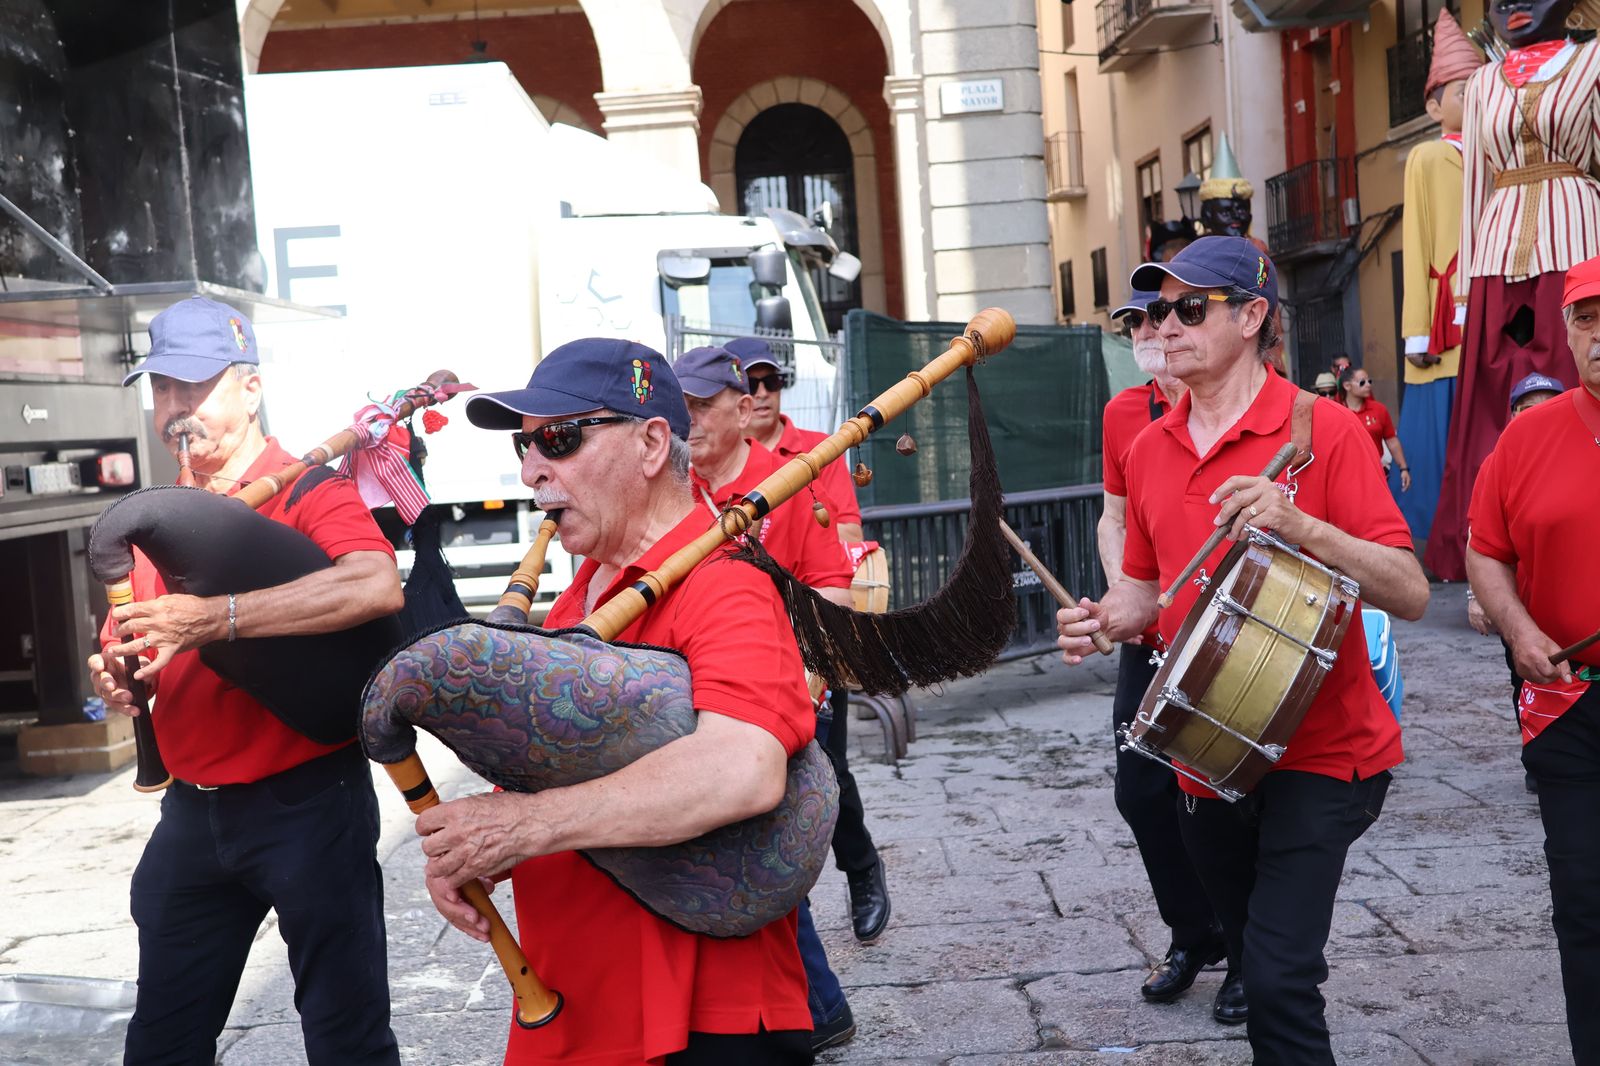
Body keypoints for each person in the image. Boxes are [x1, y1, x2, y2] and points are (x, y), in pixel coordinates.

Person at [1057, 236, 1429, 1064]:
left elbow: (1408, 588)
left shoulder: (1321, 428)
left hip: (1323, 755)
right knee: (1261, 966)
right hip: (1204, 758)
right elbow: (1151, 592)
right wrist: (1105, 617)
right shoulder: (1149, 447)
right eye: (1157, 312)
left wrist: (1298, 525)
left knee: (1279, 977)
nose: (1167, 327)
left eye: (1191, 308)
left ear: (1253, 315)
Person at [428, 337, 819, 1064]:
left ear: (649, 443)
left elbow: (744, 767)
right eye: (526, 445)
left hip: (698, 1021)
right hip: (578, 1009)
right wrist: (481, 850)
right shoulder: (579, 595)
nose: (531, 468)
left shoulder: (724, 582)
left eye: (560, 439)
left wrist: (522, 825)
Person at [84, 296, 404, 1066]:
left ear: (250, 388)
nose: (174, 408)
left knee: (346, 1039)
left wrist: (214, 618)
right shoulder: (153, 516)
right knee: (161, 1044)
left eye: (193, 387)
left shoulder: (305, 492)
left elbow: (374, 586)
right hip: (192, 815)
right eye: (161, 388)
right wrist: (126, 679)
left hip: (306, 804)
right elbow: (133, 651)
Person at [676, 343, 859, 1052]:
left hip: (772, 705)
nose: (687, 418)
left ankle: (810, 1010)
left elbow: (833, 593)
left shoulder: (792, 480)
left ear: (739, 407)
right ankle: (815, 1009)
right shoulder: (670, 486)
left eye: (700, 404)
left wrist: (800, 690)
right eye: (679, 404)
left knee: (759, 856)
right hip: (690, 706)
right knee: (741, 861)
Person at [1466, 254, 1600, 1065]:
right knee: (1582, 900)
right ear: (1567, 330)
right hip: (1567, 704)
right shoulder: (1527, 436)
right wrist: (1518, 630)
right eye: (1587, 320)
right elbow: (1487, 551)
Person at [725, 334, 893, 951]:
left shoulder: (818, 454)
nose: (762, 393)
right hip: (739, 641)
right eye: (750, 383)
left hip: (810, 634)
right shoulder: (709, 459)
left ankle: (861, 868)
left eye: (771, 382)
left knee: (826, 767)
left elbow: (846, 533)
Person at [1427, 0, 1595, 580]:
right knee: (1490, 399)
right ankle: (1485, 548)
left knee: (1578, 380)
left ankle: (1579, 537)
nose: (1516, 5)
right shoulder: (1479, 85)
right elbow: (1476, 182)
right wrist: (1465, 293)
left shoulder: (1594, 61)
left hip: (1577, 240)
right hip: (1498, 249)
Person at [1098, 289, 1227, 1006]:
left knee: (1227, 794)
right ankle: (1192, 930)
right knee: (1142, 792)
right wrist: (1126, 593)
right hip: (1150, 637)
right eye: (1139, 319)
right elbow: (1111, 517)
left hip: (1224, 638)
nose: (1153, 329)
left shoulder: (1238, 403)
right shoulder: (1125, 414)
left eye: (1167, 313)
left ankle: (1244, 949)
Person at [1397, 10, 1484, 542]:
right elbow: (1416, 245)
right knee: (1432, 440)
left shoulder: (1497, 156)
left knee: (1477, 437)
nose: (1471, 98)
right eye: (1460, 89)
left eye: (1478, 87)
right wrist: (1417, 332)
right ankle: (1423, 541)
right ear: (1433, 105)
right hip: (1441, 315)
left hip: (1486, 309)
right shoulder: (1426, 157)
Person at [1467, 371, 1565, 796]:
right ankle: (1537, 750)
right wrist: (1477, 598)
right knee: (1525, 680)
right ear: (1512, 416)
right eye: (1529, 407)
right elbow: (1480, 539)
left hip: (1571, 607)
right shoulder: (1499, 462)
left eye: (1548, 405)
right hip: (1522, 606)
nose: (1539, 414)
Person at [1336, 367, 1411, 492]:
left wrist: (1403, 468)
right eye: (1362, 382)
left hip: (1376, 473)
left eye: (1369, 381)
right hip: (1346, 474)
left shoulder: (1379, 409)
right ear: (1347, 386)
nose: (1368, 385)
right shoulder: (1337, 411)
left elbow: (1392, 441)